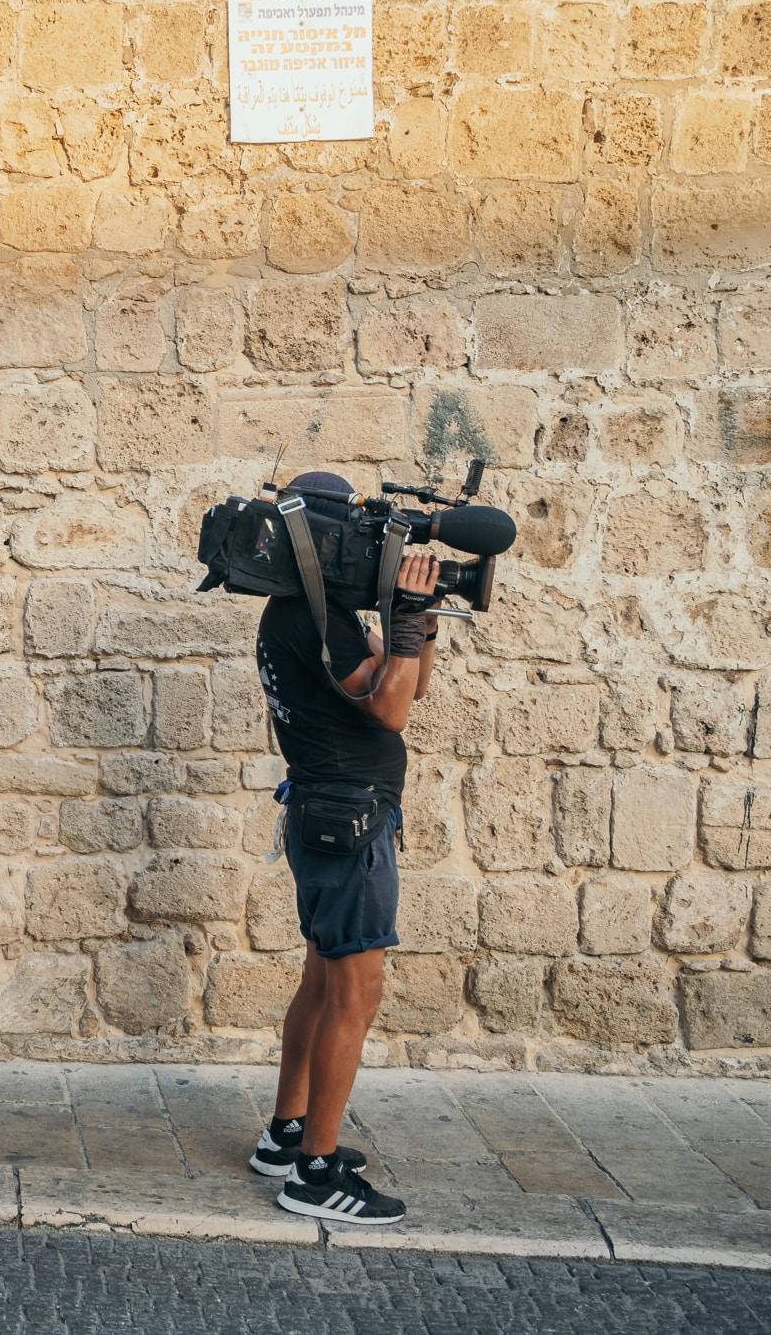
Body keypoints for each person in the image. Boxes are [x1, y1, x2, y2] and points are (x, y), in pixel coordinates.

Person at [246, 471, 444, 1226]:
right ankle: (315, 1173)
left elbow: (409, 682)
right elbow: (392, 711)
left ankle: (287, 1130)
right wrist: (402, 618)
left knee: (321, 983)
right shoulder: (314, 618)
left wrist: (415, 617)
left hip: (329, 814)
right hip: (348, 819)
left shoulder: (295, 611)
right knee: (354, 995)